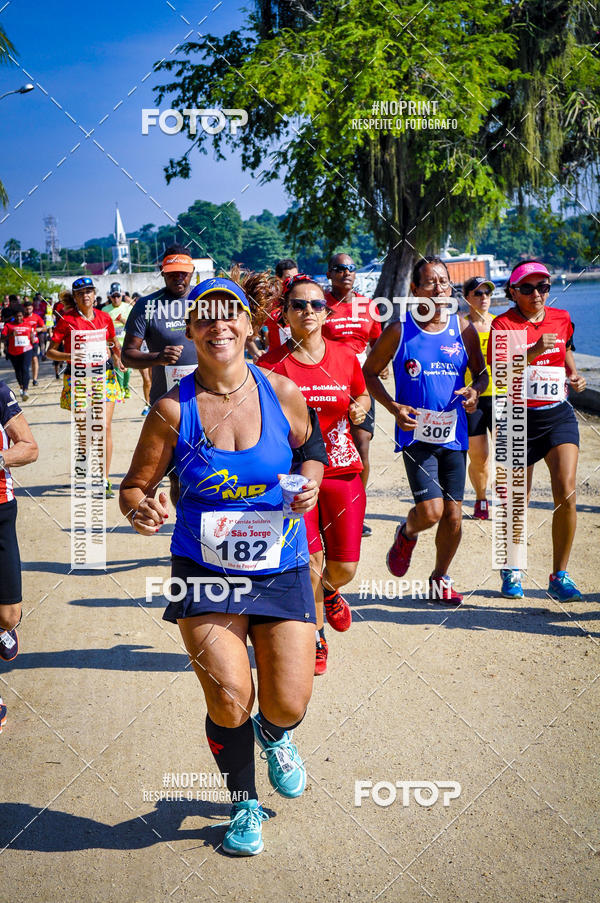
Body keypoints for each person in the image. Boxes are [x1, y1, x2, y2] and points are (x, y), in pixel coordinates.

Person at [119, 276, 326, 856]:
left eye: (229, 312)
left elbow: (311, 449)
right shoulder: (171, 409)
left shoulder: (281, 391)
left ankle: (275, 735)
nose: (219, 324)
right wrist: (141, 510)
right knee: (230, 696)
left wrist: (309, 483)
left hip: (280, 564)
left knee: (288, 703)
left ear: (248, 324)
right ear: (190, 330)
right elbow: (134, 487)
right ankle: (243, 803)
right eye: (205, 316)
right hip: (203, 569)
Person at [258, 274, 370, 675]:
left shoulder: (344, 356)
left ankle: (332, 591)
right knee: (310, 562)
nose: (308, 310)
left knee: (343, 568)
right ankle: (316, 636)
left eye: (316, 304)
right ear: (285, 315)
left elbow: (361, 393)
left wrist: (360, 407)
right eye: (299, 305)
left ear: (326, 313)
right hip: (294, 473)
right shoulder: (269, 365)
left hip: (341, 468)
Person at [364, 257, 488, 604]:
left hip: (454, 433)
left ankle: (439, 578)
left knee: (453, 516)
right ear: (415, 289)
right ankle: (407, 532)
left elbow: (481, 375)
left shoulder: (463, 328)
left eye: (444, 282)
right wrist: (394, 407)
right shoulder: (400, 330)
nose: (439, 289)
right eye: (430, 282)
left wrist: (474, 392)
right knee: (431, 512)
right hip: (416, 434)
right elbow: (369, 372)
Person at [488, 260, 586, 602]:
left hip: (557, 414)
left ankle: (559, 575)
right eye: (527, 288)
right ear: (513, 292)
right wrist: (533, 351)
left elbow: (566, 349)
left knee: (567, 492)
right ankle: (512, 567)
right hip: (516, 417)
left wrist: (574, 375)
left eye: (542, 287)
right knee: (517, 499)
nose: (537, 294)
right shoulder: (503, 324)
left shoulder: (561, 318)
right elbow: (500, 372)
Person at [46, 276, 124, 498]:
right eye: (80, 293)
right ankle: (83, 457)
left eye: (89, 291)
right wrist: (70, 356)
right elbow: (50, 352)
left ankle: (103, 480)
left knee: (104, 427)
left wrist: (118, 357)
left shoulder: (104, 317)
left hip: (104, 376)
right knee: (85, 428)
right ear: (75, 297)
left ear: (94, 294)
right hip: (78, 378)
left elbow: (113, 342)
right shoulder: (67, 320)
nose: (85, 295)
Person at [322, 252, 383, 537]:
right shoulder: (320, 305)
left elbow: (378, 341)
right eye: (339, 268)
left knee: (361, 447)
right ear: (329, 274)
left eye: (351, 268)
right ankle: (325, 509)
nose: (346, 272)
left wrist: (379, 364)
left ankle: (355, 511)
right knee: (328, 448)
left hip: (360, 387)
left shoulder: (367, 306)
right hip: (328, 385)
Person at [0, 379, 39, 731]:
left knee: (8, 615)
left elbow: (28, 447)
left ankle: (5, 628)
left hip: (0, 509)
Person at [122, 245, 198, 408]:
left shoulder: (205, 300)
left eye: (183, 272)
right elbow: (127, 356)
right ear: (162, 271)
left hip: (205, 398)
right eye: (172, 273)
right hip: (166, 402)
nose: (178, 277)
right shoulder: (146, 306)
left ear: (192, 271)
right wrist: (158, 358)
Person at [462, 276, 497, 519]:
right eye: (478, 293)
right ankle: (481, 498)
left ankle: (504, 495)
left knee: (506, 452)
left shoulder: (500, 325)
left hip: (500, 396)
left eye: (487, 293)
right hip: (472, 399)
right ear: (467, 298)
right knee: (479, 456)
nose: (484, 297)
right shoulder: (461, 327)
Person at [103, 284, 133, 398]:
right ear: (110, 297)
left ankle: (126, 386)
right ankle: (120, 388)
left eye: (118, 296)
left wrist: (122, 320)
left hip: (127, 341)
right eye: (113, 296)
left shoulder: (128, 307)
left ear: (122, 296)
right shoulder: (105, 310)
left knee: (127, 365)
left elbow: (133, 324)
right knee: (117, 362)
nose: (116, 299)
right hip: (113, 342)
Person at [2, 306, 34, 400]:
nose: (19, 318)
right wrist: (11, 335)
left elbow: (31, 335)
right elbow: (2, 338)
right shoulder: (8, 325)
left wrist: (32, 338)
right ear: (14, 316)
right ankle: (21, 386)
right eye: (17, 316)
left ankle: (25, 390)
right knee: (18, 370)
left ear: (23, 316)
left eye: (20, 316)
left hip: (27, 350)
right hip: (13, 352)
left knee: (25, 368)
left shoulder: (28, 324)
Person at [22, 300, 46, 386]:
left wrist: (39, 329)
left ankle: (35, 379)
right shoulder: (21, 317)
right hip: (23, 342)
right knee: (24, 361)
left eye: (30, 309)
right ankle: (24, 378)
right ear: (24, 309)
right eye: (26, 309)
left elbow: (44, 327)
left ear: (32, 308)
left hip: (34, 341)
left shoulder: (36, 317)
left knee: (34, 359)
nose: (28, 311)